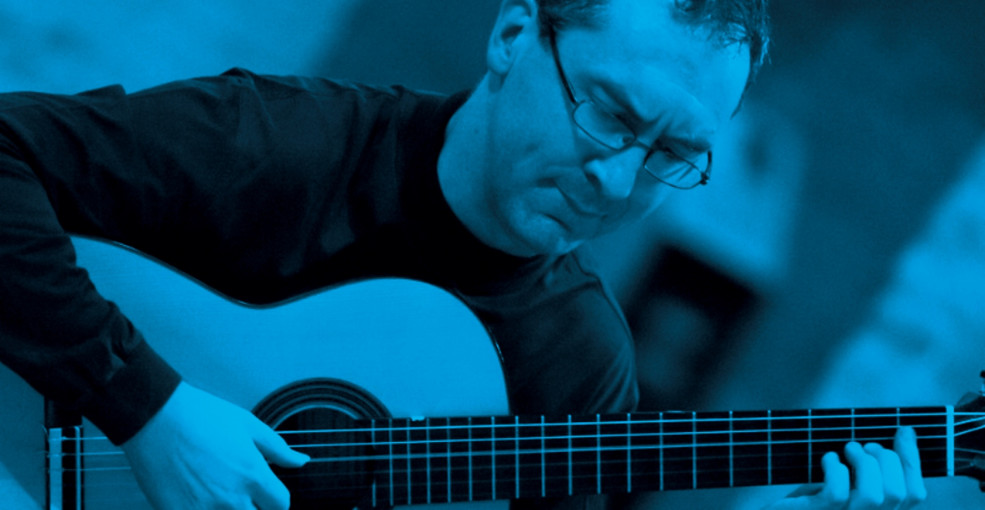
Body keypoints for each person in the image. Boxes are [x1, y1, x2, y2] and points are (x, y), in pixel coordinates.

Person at [0, 0, 925, 509]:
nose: (617, 180)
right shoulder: (284, 146)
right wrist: (146, 409)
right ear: (513, 36)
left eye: (671, 155)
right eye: (608, 113)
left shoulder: (577, 369)